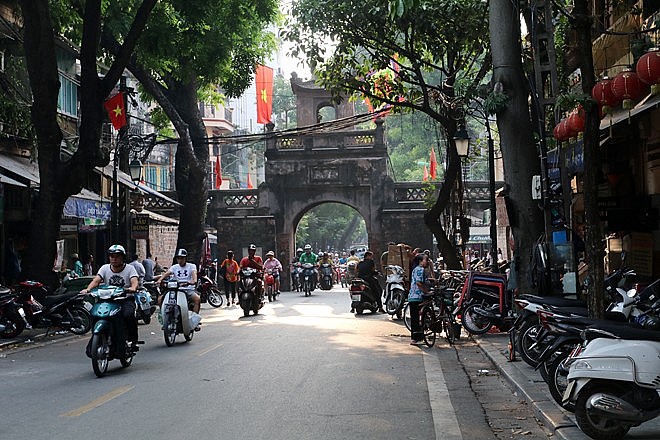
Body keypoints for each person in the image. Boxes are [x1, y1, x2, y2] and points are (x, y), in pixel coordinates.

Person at [81, 245, 139, 350]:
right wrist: (88, 289)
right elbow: (96, 280)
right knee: (95, 313)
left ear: (123, 257)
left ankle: (132, 340)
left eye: (117, 256)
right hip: (107, 300)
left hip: (124, 299)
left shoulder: (130, 269)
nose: (114, 259)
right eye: (112, 256)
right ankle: (97, 337)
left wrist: (133, 288)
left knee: (128, 315)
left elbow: (134, 281)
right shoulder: (104, 268)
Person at [156, 248, 202, 318]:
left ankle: (195, 318)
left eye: (182, 258)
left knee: (197, 299)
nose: (180, 260)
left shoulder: (191, 266)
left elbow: (194, 275)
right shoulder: (174, 267)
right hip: (175, 289)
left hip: (187, 289)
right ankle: (164, 317)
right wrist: (160, 280)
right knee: (160, 299)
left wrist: (191, 282)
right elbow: (167, 273)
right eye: (178, 258)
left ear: (185, 258)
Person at [408, 253, 432, 345]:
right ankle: (414, 338)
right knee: (415, 318)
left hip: (417, 297)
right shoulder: (419, 270)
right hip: (416, 297)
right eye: (426, 260)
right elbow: (419, 283)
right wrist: (426, 292)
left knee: (417, 318)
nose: (427, 261)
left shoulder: (421, 270)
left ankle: (418, 337)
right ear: (420, 261)